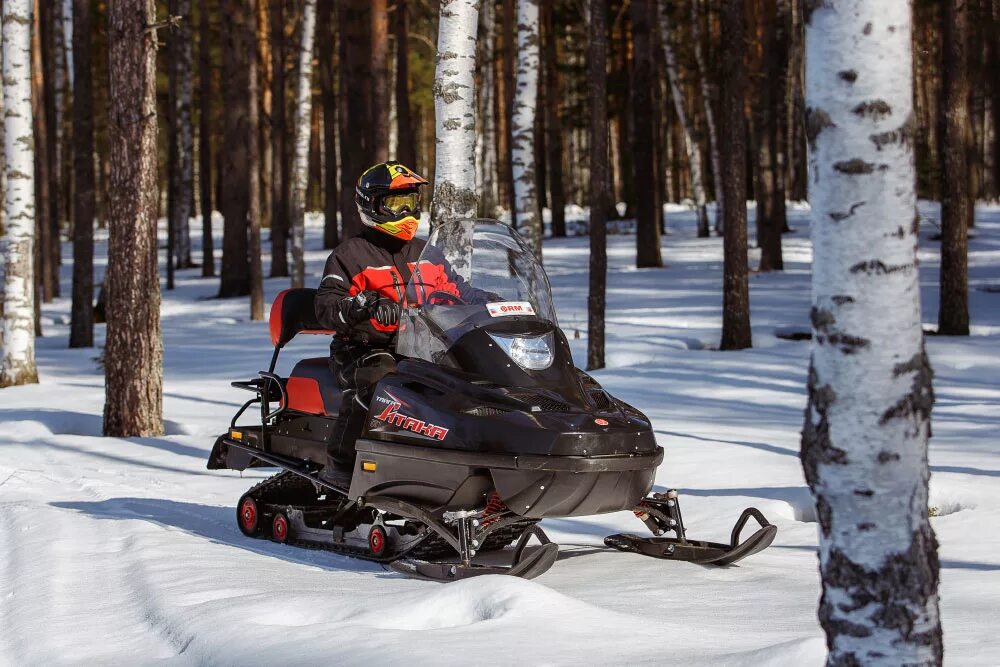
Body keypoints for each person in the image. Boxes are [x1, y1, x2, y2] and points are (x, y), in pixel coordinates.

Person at [314, 161, 490, 477]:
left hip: (422, 347)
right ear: (372, 204)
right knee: (380, 384)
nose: (406, 212)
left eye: (410, 202)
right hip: (364, 349)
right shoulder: (350, 255)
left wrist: (492, 302)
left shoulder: (426, 252)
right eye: (396, 203)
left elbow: (457, 290)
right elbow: (327, 304)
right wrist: (361, 305)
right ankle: (340, 467)